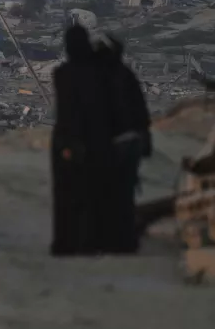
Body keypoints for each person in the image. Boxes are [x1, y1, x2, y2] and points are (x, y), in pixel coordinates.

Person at [50, 24, 117, 256]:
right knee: (89, 194)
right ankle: (87, 242)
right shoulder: (95, 73)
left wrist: (68, 144)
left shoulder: (62, 74)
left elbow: (68, 113)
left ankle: (65, 243)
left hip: (67, 141)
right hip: (93, 142)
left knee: (66, 195)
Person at [92, 34, 151, 254]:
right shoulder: (125, 75)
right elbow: (142, 112)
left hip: (112, 145)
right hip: (131, 142)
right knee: (124, 191)